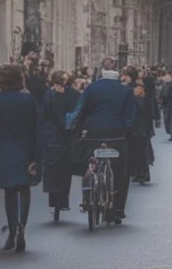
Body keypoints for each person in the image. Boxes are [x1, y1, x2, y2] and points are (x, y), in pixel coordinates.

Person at [0, 64, 42, 252]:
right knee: (24, 189)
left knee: (9, 191)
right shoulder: (29, 100)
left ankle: (12, 230)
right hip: (26, 150)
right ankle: (22, 226)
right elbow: (38, 128)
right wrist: (36, 157)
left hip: (2, 151)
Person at [67, 58, 136, 223]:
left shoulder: (92, 88)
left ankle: (87, 197)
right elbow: (130, 114)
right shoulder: (125, 90)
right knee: (121, 172)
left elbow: (81, 109)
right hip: (117, 134)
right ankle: (117, 208)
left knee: (90, 164)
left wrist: (76, 126)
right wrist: (126, 129)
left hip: (95, 132)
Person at [43, 70, 78, 219]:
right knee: (64, 169)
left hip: (54, 135)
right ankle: (63, 201)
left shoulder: (50, 95)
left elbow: (44, 113)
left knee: (53, 167)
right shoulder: (74, 94)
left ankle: (54, 201)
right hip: (67, 135)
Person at [130, 82, 154, 184]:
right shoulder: (146, 101)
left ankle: (141, 173)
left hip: (139, 129)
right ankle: (140, 173)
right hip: (142, 129)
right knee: (140, 153)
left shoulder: (138, 101)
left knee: (140, 153)